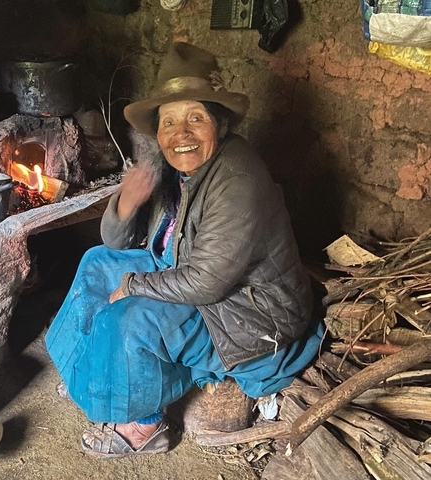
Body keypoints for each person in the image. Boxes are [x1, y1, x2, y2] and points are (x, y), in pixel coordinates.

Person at [45, 42, 323, 458]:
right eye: (169, 122)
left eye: (196, 118)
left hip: (243, 310)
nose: (182, 134)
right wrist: (125, 204)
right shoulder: (168, 163)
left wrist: (136, 285)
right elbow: (114, 243)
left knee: (130, 318)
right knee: (95, 262)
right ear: (158, 131)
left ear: (221, 125)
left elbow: (208, 281)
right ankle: (90, 374)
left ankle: (145, 424)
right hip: (186, 274)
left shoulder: (239, 178)